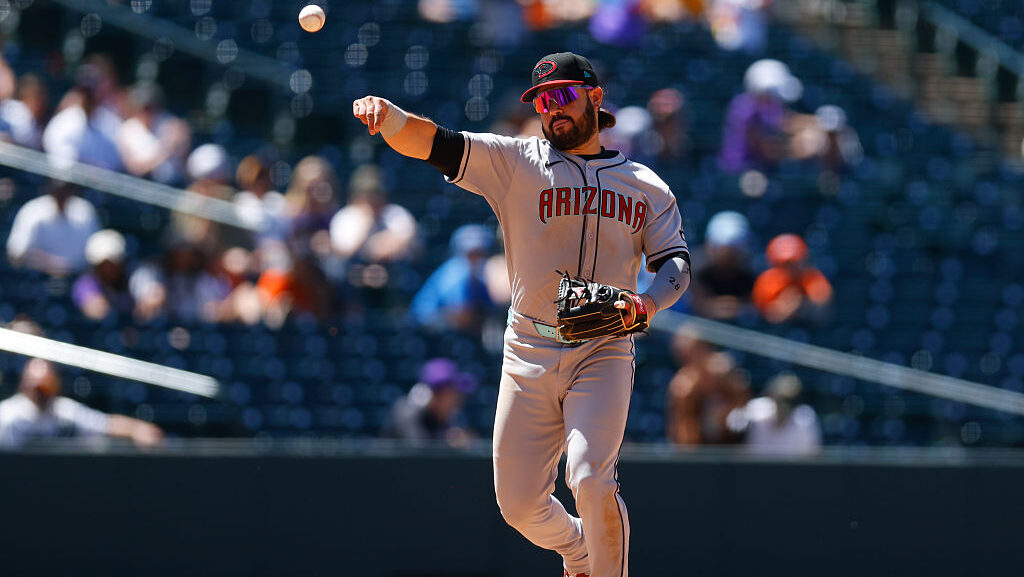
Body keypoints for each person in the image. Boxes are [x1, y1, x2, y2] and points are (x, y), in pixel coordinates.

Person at [353, 51, 691, 577]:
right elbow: (434, 143)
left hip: (601, 343)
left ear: (595, 98)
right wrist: (390, 115)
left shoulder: (644, 184)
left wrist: (649, 301)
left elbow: (675, 265)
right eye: (541, 101)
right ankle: (579, 551)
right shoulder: (515, 162)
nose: (551, 109)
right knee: (518, 506)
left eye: (562, 96)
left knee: (591, 478)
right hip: (528, 347)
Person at [0, 358, 163, 449]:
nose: (41, 393)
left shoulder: (63, 410)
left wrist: (136, 429)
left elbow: (105, 424)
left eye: (44, 387)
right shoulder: (7, 414)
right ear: (24, 384)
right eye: (37, 388)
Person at [665, 324, 750, 445]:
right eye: (683, 354)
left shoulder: (726, 372)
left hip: (733, 441)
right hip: (699, 448)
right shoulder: (682, 386)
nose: (688, 357)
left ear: (704, 348)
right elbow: (682, 429)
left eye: (693, 351)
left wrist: (722, 414)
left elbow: (743, 402)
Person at [409, 223, 497, 335]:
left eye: (481, 252)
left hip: (449, 327)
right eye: (473, 253)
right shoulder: (456, 271)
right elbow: (460, 314)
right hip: (426, 326)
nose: (478, 257)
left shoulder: (479, 273)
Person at [6, 180, 100, 275]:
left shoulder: (85, 210)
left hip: (76, 278)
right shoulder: (32, 211)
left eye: (67, 189)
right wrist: (48, 262)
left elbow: (96, 253)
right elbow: (15, 255)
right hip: (38, 279)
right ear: (50, 189)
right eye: (58, 190)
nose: (62, 194)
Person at [382, 357, 477, 447]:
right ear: (437, 394)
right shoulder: (407, 412)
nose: (458, 398)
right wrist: (448, 442)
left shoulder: (447, 416)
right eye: (453, 393)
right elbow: (417, 451)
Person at [726, 372, 822, 456]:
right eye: (780, 400)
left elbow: (810, 458)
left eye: (788, 401)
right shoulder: (757, 409)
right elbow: (732, 423)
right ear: (773, 398)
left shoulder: (804, 419)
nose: (784, 406)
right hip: (756, 472)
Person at [752, 233, 833, 324]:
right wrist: (784, 307)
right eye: (784, 264)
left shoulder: (812, 278)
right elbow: (765, 316)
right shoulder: (767, 281)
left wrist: (802, 305)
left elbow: (822, 314)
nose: (789, 268)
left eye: (793, 262)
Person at [690, 210, 756, 320]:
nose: (727, 256)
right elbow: (698, 307)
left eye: (733, 251)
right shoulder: (694, 269)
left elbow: (751, 307)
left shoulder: (751, 271)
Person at [72, 229, 135, 321]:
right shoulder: (85, 283)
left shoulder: (132, 277)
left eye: (112, 264)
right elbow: (94, 309)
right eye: (102, 265)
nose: (107, 269)